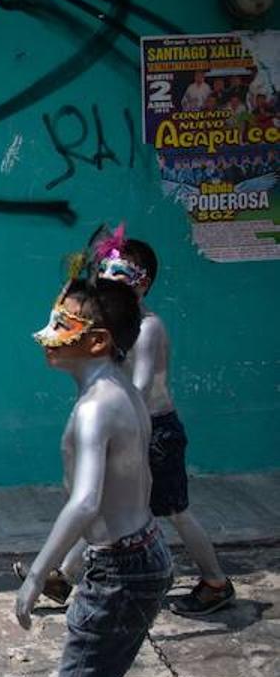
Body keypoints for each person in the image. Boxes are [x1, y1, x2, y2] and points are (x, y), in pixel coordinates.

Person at [15, 273, 241, 677]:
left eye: (62, 323)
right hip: (129, 557)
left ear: (95, 341)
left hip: (122, 567)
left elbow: (85, 500)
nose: (47, 334)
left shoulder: (96, 407)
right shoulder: (120, 392)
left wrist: (40, 573)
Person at [96, 230, 235, 616]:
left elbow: (139, 385)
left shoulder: (148, 327)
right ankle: (61, 577)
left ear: (142, 284)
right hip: (135, 430)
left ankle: (216, 583)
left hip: (156, 433)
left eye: (118, 280)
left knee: (175, 509)